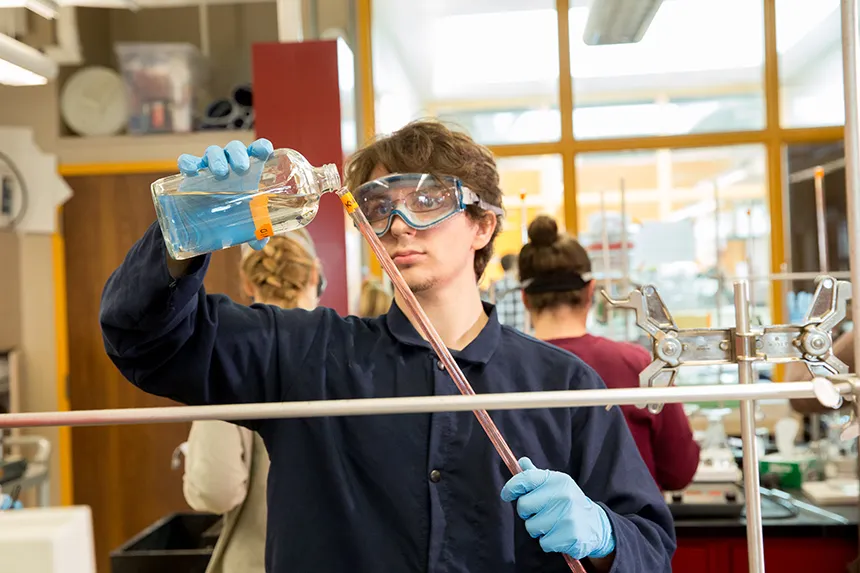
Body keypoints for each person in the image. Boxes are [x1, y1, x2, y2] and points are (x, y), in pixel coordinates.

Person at [99, 121, 675, 572]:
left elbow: (650, 547)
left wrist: (602, 535)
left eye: (427, 200)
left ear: (482, 225)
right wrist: (181, 238)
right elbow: (145, 341)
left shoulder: (563, 385)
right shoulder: (302, 357)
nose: (398, 223)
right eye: (378, 205)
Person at [518, 215, 700, 492]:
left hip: (531, 533)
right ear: (590, 292)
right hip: (628, 531)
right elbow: (679, 470)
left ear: (525, 298)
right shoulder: (637, 365)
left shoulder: (503, 371)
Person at [182, 231, 323, 573]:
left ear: (246, 281)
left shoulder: (231, 360)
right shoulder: (353, 354)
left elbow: (216, 488)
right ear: (316, 277)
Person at [490, 253, 529, 332]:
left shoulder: (494, 286)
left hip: (501, 331)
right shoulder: (522, 285)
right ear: (515, 266)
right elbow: (526, 312)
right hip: (519, 331)